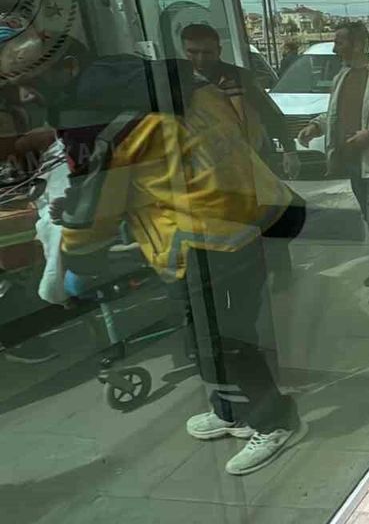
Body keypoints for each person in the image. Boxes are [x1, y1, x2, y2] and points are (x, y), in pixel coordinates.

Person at [0, 26, 305, 476]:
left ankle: (274, 421)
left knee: (224, 341)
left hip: (205, 239)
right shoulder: (169, 82)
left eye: (32, 83)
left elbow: (96, 207)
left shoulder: (99, 117)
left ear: (69, 68)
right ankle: (233, 410)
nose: (26, 96)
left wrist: (78, 257)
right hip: (243, 216)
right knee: (211, 335)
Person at [296, 22, 369, 308]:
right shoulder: (342, 75)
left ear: (359, 44)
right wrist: (315, 127)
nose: (334, 48)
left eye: (340, 42)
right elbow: (334, 113)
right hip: (353, 162)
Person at [180, 24, 301, 180]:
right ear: (184, 50)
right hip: (201, 167)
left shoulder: (239, 78)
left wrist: (289, 151)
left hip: (247, 161)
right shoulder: (177, 82)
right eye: (193, 52)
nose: (200, 59)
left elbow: (269, 113)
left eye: (207, 52)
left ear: (219, 51)